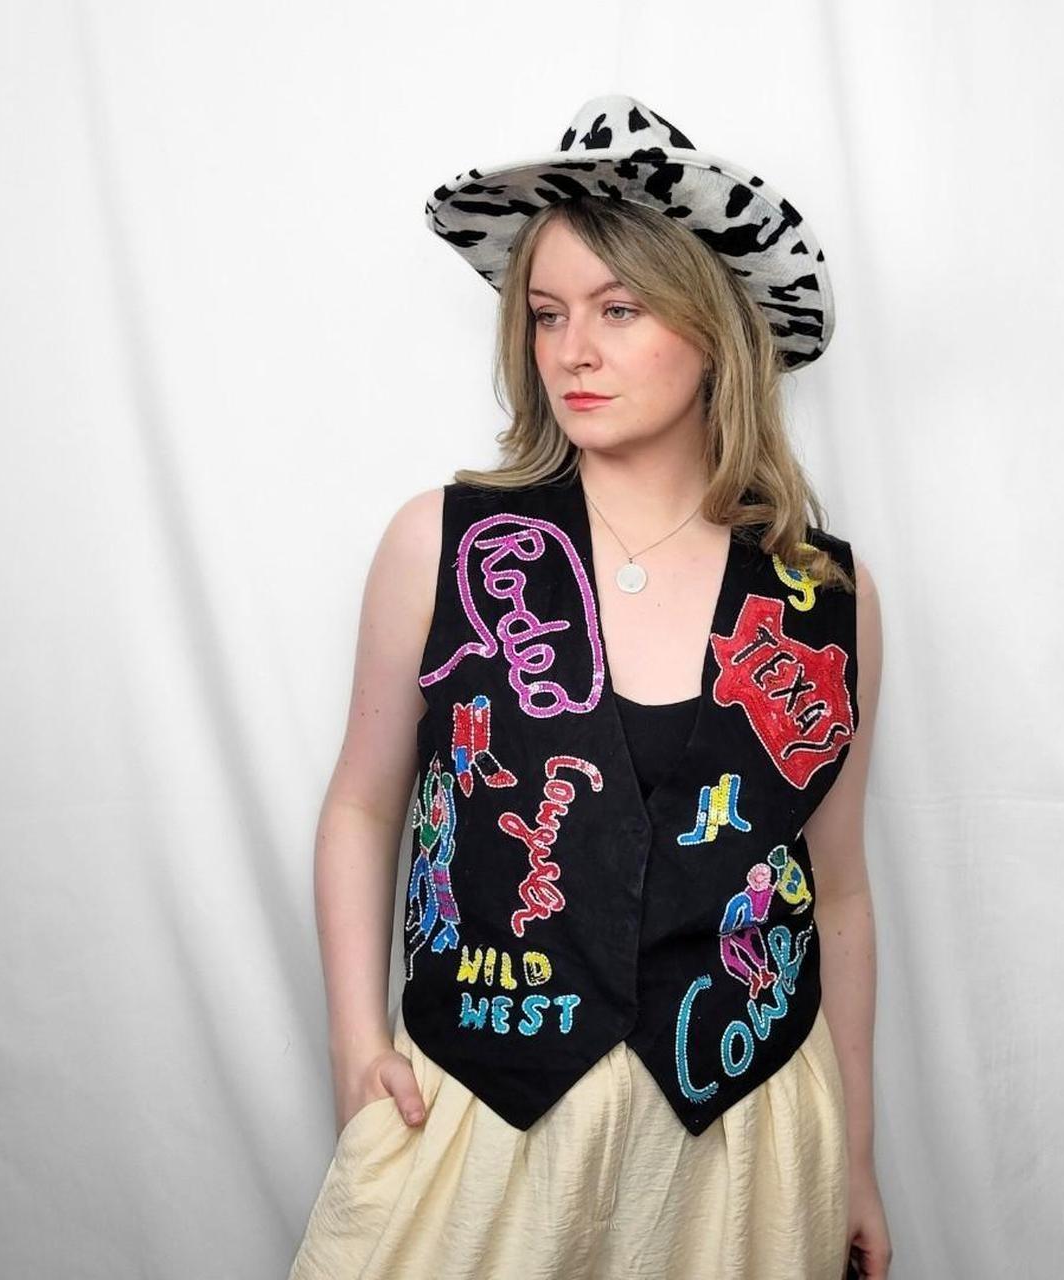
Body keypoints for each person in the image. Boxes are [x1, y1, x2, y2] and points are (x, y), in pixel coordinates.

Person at [289, 93, 891, 1280]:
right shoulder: (444, 545)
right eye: (547, 313)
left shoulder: (824, 595)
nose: (572, 350)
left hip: (740, 1120)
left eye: (619, 310)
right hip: (488, 1096)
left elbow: (838, 887)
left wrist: (856, 1153)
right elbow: (361, 803)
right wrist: (355, 1044)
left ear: (714, 328)